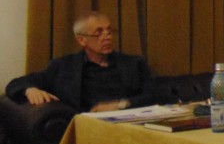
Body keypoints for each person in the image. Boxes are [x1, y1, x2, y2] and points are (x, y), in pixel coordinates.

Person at [5, 11, 155, 113]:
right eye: (99, 32)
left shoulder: (134, 63)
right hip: (88, 128)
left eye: (109, 31)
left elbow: (154, 94)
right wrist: (30, 90)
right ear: (82, 40)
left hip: (130, 123)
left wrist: (120, 105)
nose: (107, 37)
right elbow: (15, 83)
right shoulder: (63, 67)